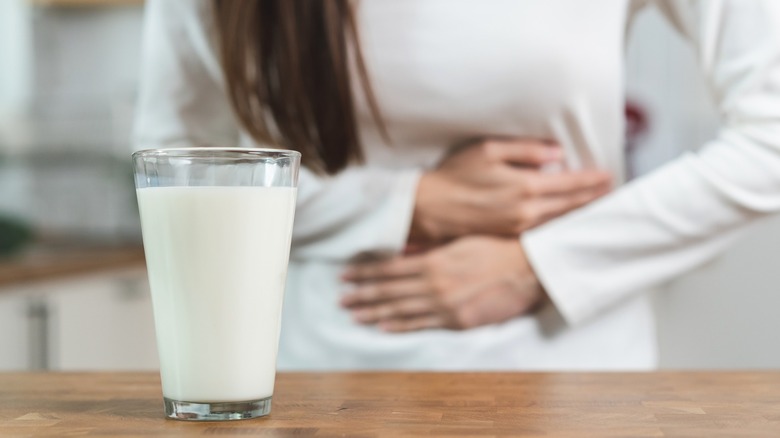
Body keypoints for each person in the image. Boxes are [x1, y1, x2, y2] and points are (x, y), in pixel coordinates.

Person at [135, 0, 780, 370]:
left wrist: (538, 267)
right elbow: (173, 170)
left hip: (573, 382)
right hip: (319, 384)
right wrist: (409, 204)